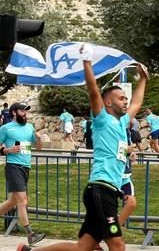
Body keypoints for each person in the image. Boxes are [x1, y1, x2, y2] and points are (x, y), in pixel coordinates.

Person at [18, 46, 148, 251]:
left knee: (82, 248)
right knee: (118, 244)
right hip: (101, 191)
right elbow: (93, 91)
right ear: (108, 103)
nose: (126, 101)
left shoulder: (122, 122)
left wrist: (143, 80)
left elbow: (137, 103)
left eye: (126, 98)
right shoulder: (102, 119)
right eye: (121, 98)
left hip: (105, 193)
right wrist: (87, 62)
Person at [0, 102, 46, 244]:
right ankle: (30, 235)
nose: (25, 113)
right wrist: (8, 150)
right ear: (14, 112)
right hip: (13, 166)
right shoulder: (6, 128)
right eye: (22, 111)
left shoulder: (30, 127)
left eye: (26, 111)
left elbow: (38, 148)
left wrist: (39, 138)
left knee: (12, 201)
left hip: (26, 167)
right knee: (23, 200)